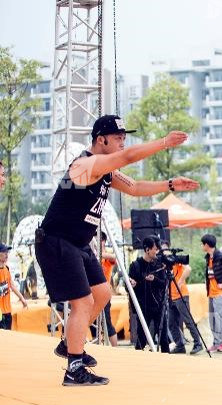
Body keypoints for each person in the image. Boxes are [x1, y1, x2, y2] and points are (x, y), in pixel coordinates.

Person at [36, 115, 197, 385]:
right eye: (119, 137)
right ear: (102, 139)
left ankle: (68, 344)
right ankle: (74, 370)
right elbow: (130, 156)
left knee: (102, 293)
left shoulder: (106, 170)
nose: (123, 142)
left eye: (125, 137)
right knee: (83, 302)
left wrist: (169, 185)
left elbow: (134, 187)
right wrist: (164, 142)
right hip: (57, 241)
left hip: (78, 243)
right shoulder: (86, 164)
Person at [128, 236, 168, 351]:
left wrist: (154, 280)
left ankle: (168, 362)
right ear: (147, 249)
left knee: (163, 338)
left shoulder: (160, 265)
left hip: (158, 305)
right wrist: (131, 284)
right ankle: (138, 362)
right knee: (141, 338)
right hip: (143, 307)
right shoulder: (135, 265)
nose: (157, 251)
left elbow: (164, 284)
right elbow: (129, 285)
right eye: (155, 249)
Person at [161, 240, 201, 355]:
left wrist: (180, 281)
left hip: (181, 294)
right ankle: (179, 345)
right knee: (171, 323)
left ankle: (198, 343)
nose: (164, 251)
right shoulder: (164, 262)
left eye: (165, 248)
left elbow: (188, 268)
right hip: (171, 297)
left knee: (188, 320)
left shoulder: (175, 259)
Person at [201, 234, 222, 353]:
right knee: (212, 319)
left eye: (202, 244)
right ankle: (216, 342)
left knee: (220, 318)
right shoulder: (208, 257)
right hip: (211, 293)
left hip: (219, 293)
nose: (201, 246)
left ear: (207, 245)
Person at [93, 231, 117, 346]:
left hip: (104, 293)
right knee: (93, 322)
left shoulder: (106, 255)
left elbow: (114, 258)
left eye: (99, 239)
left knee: (107, 322)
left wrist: (98, 253)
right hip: (92, 293)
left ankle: (115, 348)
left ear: (103, 241)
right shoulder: (91, 255)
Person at [0, 243, 28, 329]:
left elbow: (12, 285)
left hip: (8, 311)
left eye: (7, 252)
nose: (7, 254)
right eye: (4, 252)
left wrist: (22, 299)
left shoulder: (6, 269)